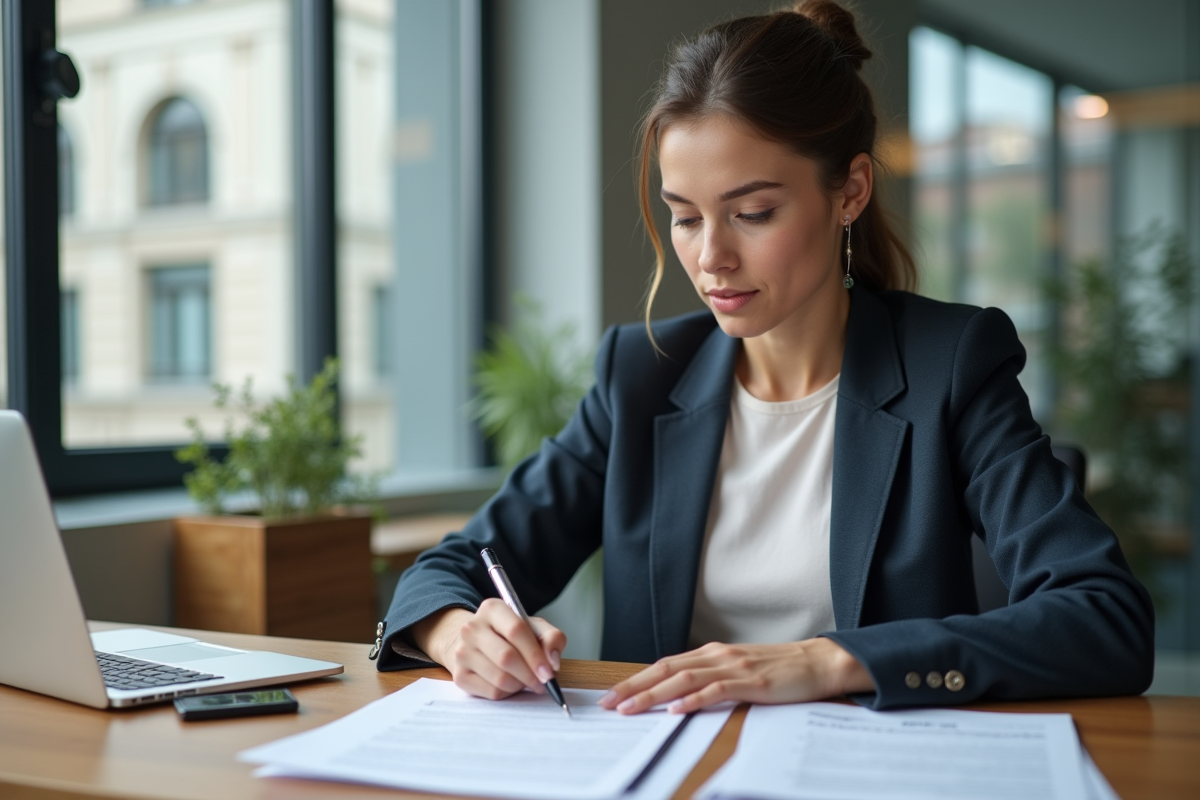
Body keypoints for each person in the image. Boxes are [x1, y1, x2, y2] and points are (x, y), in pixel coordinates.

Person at [374, 0, 1154, 712]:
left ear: (849, 193)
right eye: (684, 217)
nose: (711, 257)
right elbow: (451, 569)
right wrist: (455, 632)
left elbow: (1104, 618)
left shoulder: (950, 365)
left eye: (752, 213)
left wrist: (829, 660)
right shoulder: (641, 376)